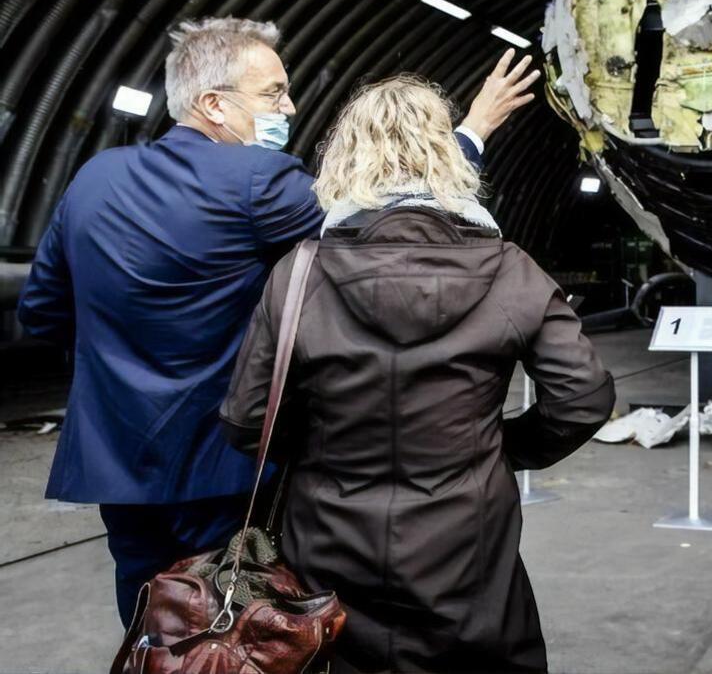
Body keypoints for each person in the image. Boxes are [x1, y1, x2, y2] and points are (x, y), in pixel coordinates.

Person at [16, 17, 539, 625]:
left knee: (148, 618)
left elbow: (43, 312)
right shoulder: (258, 180)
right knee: (234, 625)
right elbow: (383, 221)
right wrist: (471, 132)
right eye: (273, 93)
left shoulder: (93, 178)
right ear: (212, 103)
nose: (289, 106)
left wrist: (121, 363)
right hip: (227, 459)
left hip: (115, 456)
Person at [220, 75, 615, 674]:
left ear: (345, 159)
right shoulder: (510, 270)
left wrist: (329, 451)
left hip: (327, 537)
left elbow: (247, 420)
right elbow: (582, 397)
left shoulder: (300, 274)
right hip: (466, 537)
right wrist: (501, 449)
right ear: (444, 155)